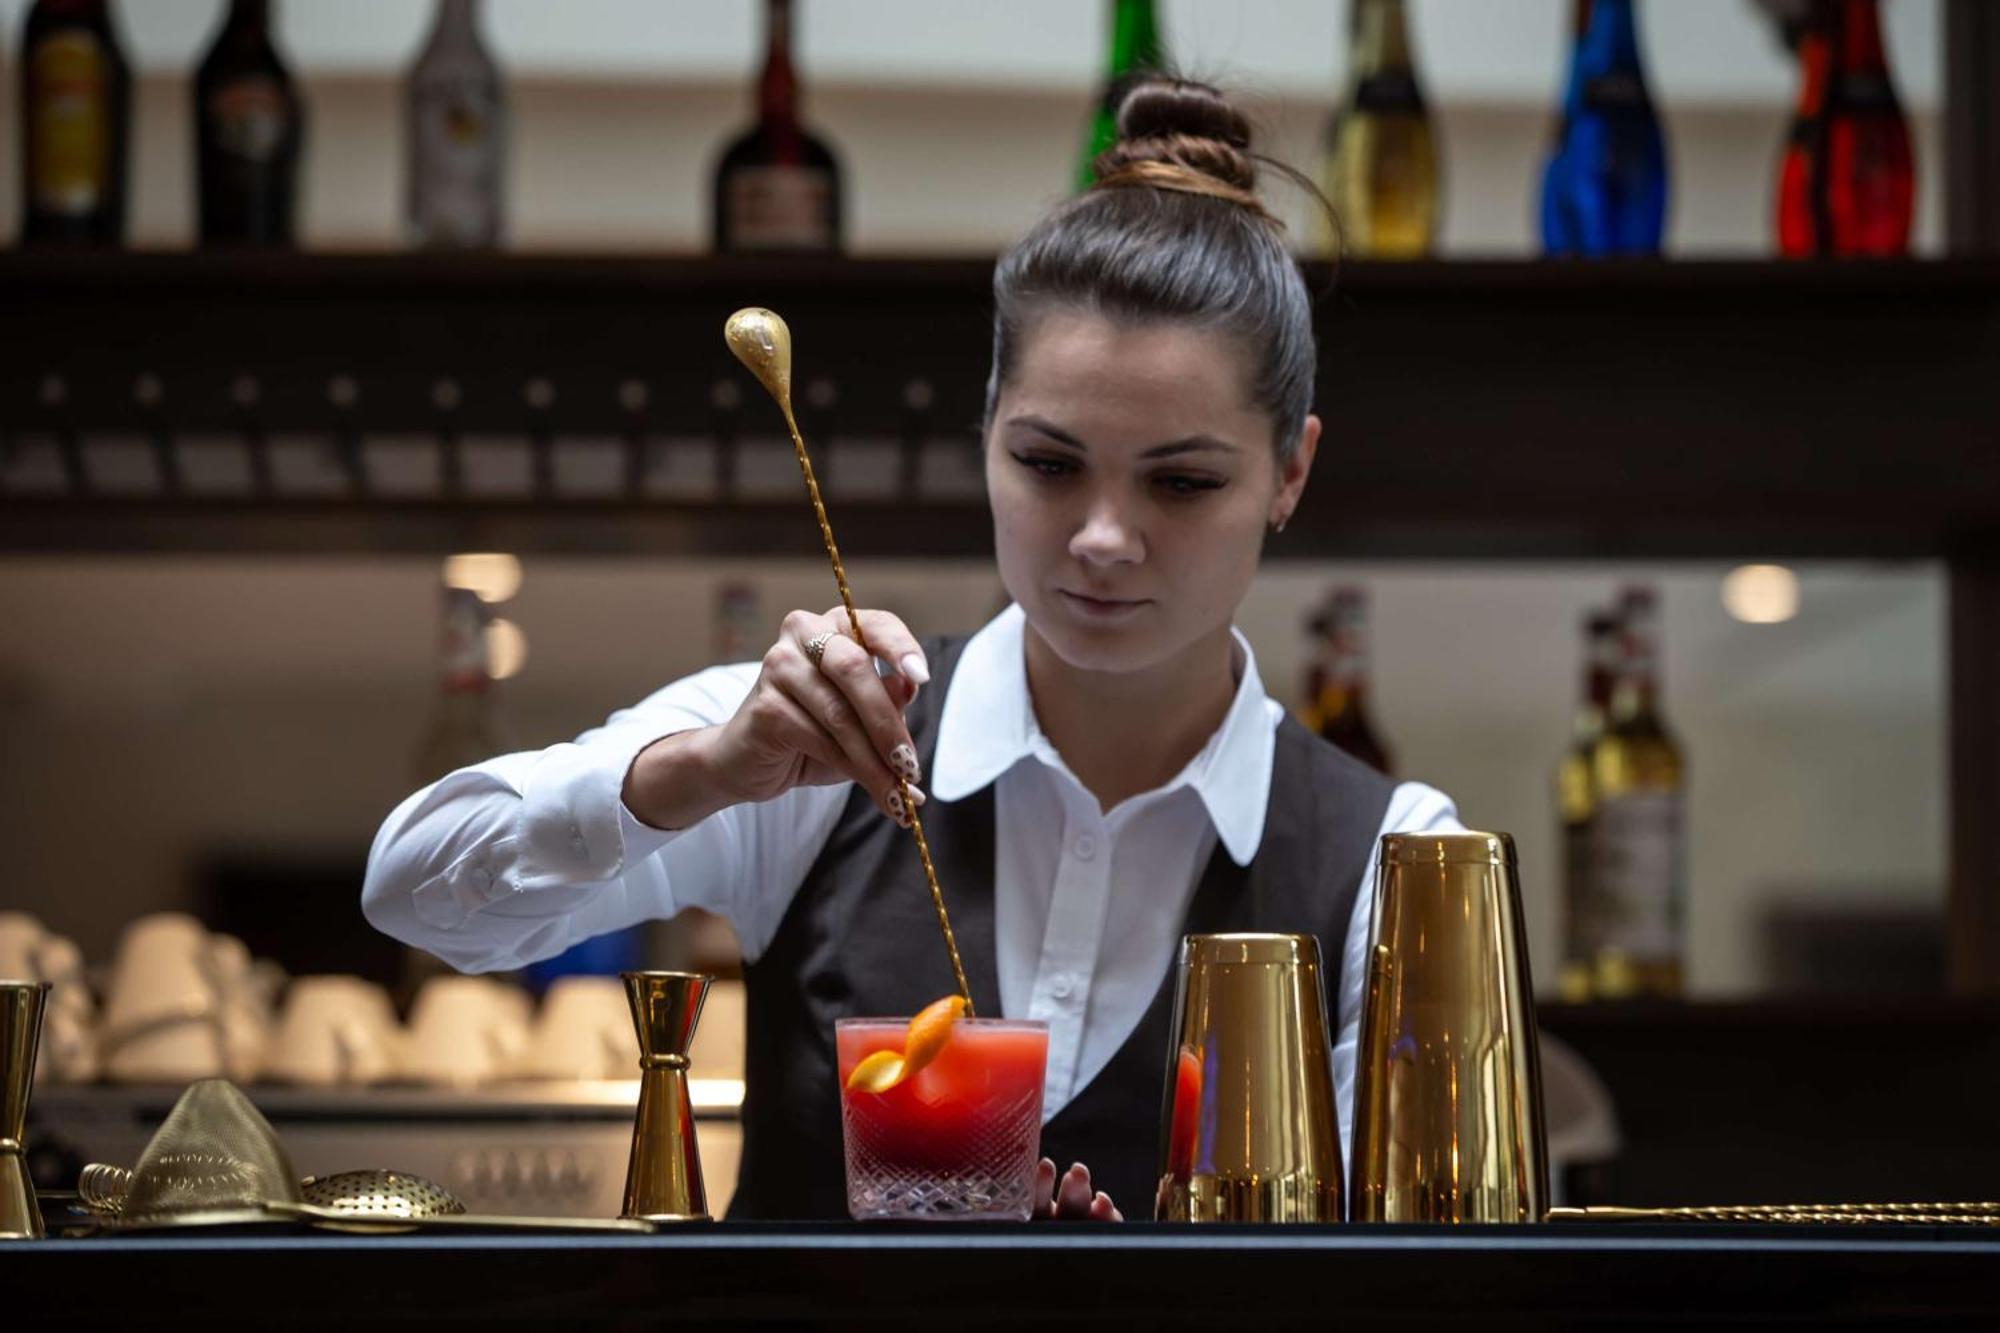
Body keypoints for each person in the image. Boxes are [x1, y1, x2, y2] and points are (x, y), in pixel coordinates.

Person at [363, 76, 1462, 1221]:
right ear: (984, 429)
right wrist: (697, 771)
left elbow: (1399, 1287)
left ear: (1289, 471)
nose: (1098, 538)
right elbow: (415, 888)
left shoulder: (1393, 858)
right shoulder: (805, 744)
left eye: (1181, 481)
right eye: (1045, 462)